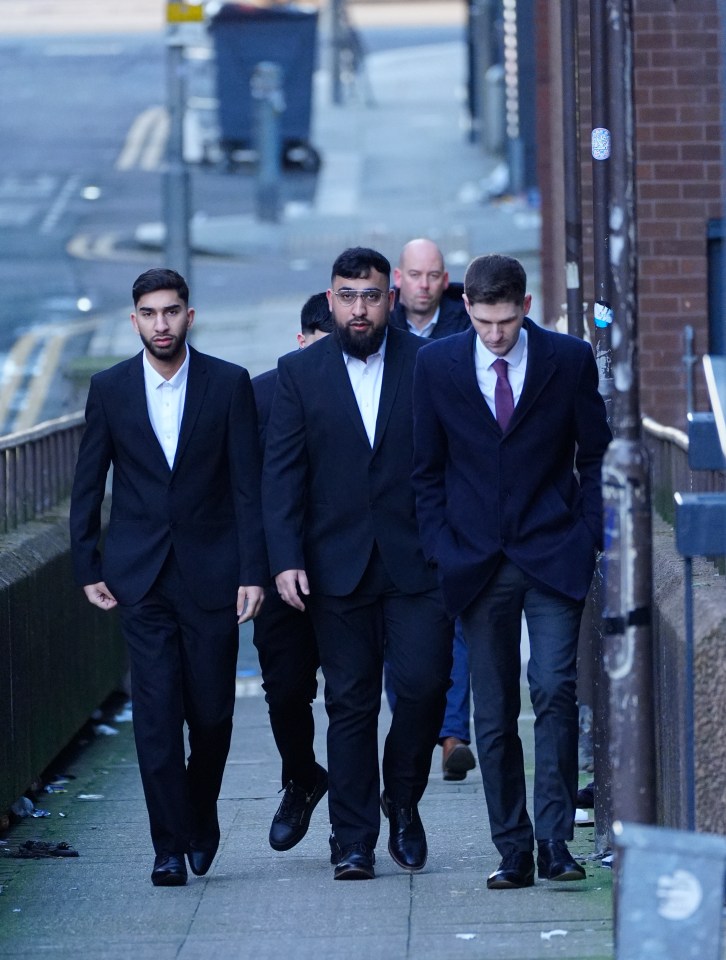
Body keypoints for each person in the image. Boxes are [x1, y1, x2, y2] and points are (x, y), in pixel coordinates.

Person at [412, 254, 611, 890]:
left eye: (505, 320)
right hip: (475, 560)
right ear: (465, 307)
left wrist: (588, 536)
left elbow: (596, 454)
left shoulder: (569, 359)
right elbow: (426, 470)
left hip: (553, 553)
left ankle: (555, 842)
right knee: (493, 713)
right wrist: (442, 546)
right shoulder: (436, 365)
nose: (494, 334)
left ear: (524, 307)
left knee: (554, 689)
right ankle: (513, 847)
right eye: (483, 320)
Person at [69, 268, 267, 887]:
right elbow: (87, 482)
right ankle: (167, 847)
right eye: (150, 314)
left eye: (172, 312)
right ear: (135, 321)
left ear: (189, 316)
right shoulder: (110, 388)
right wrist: (86, 565)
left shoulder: (229, 384)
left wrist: (253, 571)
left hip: (213, 574)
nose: (162, 323)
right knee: (156, 714)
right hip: (141, 576)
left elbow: (247, 487)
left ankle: (199, 815)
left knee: (210, 715)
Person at [262, 247, 453, 881]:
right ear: (333, 297)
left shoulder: (430, 363)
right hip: (334, 565)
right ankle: (352, 840)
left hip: (418, 563)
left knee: (425, 690)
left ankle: (402, 798)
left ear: (390, 298)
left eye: (371, 295)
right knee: (350, 704)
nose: (360, 307)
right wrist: (285, 557)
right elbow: (283, 475)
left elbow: (451, 461)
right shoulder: (298, 373)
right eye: (347, 296)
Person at [388, 238, 476, 782]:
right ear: (399, 278)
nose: (423, 285)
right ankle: (423, 729)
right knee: (398, 631)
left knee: (457, 620)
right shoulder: (378, 327)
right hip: (396, 505)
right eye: (415, 275)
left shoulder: (468, 329)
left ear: (447, 280)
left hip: (454, 498)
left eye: (434, 275)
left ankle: (452, 735)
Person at [251, 292, 333, 852]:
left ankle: (354, 828)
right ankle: (302, 777)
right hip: (280, 571)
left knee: (355, 701)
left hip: (354, 571)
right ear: (300, 339)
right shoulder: (258, 396)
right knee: (285, 693)